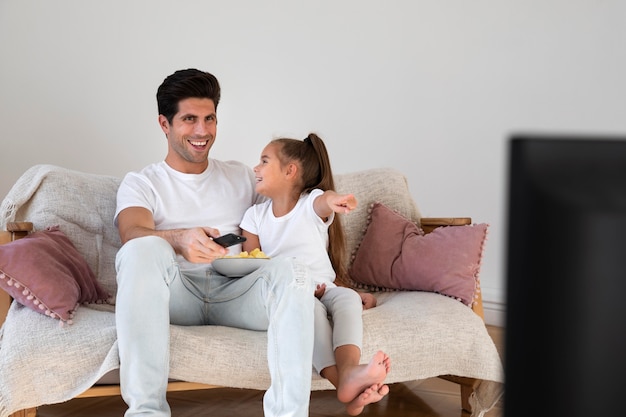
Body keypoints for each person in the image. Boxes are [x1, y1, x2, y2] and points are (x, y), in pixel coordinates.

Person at [114, 68, 316, 417]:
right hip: (176, 293)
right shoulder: (141, 183)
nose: (202, 131)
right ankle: (147, 412)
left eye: (210, 119)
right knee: (140, 249)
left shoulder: (241, 175)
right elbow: (131, 234)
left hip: (236, 291)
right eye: (189, 119)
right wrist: (178, 239)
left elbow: (288, 221)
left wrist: (330, 283)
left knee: (292, 271)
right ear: (165, 124)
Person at [240, 133, 391, 416]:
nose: (255, 169)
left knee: (347, 299)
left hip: (327, 286)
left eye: (263, 161)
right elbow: (255, 263)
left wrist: (337, 201)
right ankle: (345, 384)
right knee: (307, 311)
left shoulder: (309, 204)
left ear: (290, 171)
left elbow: (325, 201)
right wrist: (299, 289)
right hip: (292, 292)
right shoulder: (254, 217)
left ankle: (349, 370)